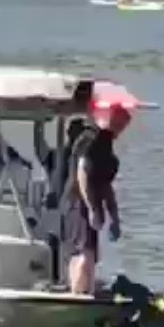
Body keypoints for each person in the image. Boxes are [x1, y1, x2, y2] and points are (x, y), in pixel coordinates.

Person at [60, 119, 121, 294]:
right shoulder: (90, 140)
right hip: (78, 202)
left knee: (88, 253)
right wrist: (92, 207)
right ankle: (79, 293)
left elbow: (106, 187)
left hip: (87, 204)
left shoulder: (106, 145)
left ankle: (83, 290)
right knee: (85, 252)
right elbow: (82, 173)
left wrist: (114, 218)